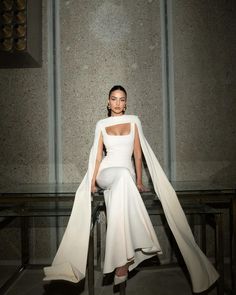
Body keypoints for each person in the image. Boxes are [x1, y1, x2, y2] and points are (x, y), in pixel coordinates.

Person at [44, 85, 219, 293]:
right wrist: (92, 181)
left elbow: (138, 154)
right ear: (108, 102)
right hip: (106, 173)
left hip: (126, 177)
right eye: (114, 99)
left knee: (123, 191)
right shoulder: (101, 124)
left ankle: (121, 263)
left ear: (126, 103)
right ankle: (128, 256)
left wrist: (139, 181)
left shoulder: (135, 121)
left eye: (121, 99)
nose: (117, 103)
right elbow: (98, 156)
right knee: (122, 176)